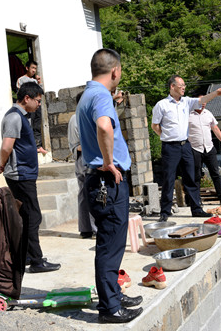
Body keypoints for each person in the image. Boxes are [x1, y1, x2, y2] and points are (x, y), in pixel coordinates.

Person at [76, 48, 143, 323]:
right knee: (110, 245)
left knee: (111, 242)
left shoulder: (89, 94)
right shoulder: (101, 96)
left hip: (98, 178)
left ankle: (113, 294)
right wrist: (109, 162)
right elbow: (104, 126)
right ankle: (110, 308)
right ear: (115, 71)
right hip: (107, 179)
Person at [0, 82, 61, 273]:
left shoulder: (20, 116)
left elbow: (16, 145)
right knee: (32, 216)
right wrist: (2, 163)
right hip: (20, 175)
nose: (39, 104)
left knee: (27, 217)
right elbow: (7, 146)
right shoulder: (14, 117)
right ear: (26, 98)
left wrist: (32, 149)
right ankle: (37, 261)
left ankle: (28, 256)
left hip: (24, 173)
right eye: (37, 101)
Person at [151, 75, 221, 222]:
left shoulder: (186, 102)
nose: (184, 88)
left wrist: (216, 93)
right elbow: (155, 126)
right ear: (172, 86)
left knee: (191, 178)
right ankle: (165, 212)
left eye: (184, 85)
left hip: (186, 145)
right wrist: (165, 136)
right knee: (169, 179)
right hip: (170, 147)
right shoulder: (162, 105)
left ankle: (196, 209)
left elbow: (202, 100)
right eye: (181, 85)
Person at [188, 95, 221, 205]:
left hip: (209, 148)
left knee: (216, 174)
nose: (203, 105)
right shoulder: (188, 114)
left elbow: (215, 128)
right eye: (201, 102)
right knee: (196, 176)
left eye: (205, 102)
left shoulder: (208, 113)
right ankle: (197, 200)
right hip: (195, 149)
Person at [68, 91, 97, 239]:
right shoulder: (79, 118)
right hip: (86, 158)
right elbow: (77, 145)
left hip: (83, 159)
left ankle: (85, 229)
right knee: (92, 192)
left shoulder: (77, 117)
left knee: (84, 194)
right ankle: (94, 229)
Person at [16, 60, 46, 153]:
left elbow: (40, 93)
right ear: (27, 68)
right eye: (32, 68)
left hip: (37, 106)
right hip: (28, 106)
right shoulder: (21, 80)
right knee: (30, 124)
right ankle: (32, 145)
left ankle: (38, 145)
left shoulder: (35, 81)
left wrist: (39, 83)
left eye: (35, 69)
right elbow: (20, 94)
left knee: (37, 125)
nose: (34, 70)